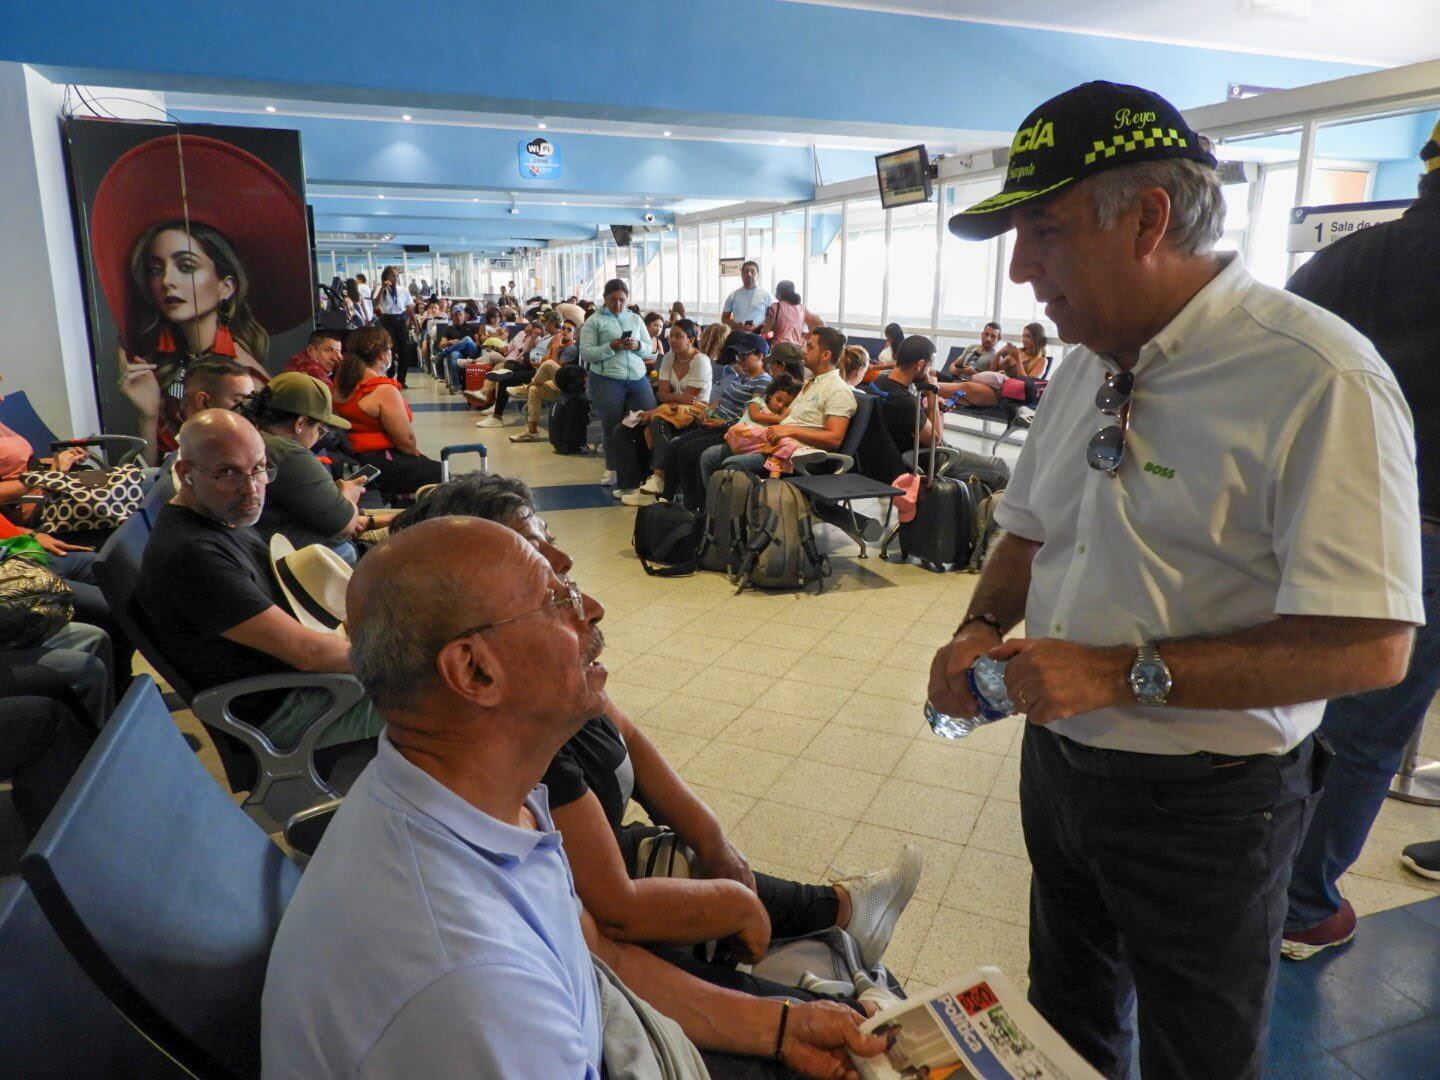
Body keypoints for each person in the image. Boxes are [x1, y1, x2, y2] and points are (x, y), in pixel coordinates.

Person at [930, 81, 1421, 1080]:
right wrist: (979, 627)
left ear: (1148, 219)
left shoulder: (1317, 377)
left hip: (1210, 803)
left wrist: (1116, 675)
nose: (1021, 270)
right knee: (1068, 1018)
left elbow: (1371, 647)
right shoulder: (1085, 361)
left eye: (1045, 232)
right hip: (1061, 767)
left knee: (1198, 1050)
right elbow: (1029, 531)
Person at [262, 516, 888, 1079]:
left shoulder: (475, 802)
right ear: (475, 671)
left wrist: (778, 1029)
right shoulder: (469, 986)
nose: (592, 607)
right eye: (556, 601)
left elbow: (597, 960)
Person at [392, 475, 924, 967]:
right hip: (608, 909)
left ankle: (840, 911)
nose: (567, 562)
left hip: (610, 870)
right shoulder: (517, 731)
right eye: (532, 552)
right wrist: (734, 909)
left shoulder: (552, 672)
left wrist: (715, 841)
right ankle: (841, 913)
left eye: (549, 536)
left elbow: (627, 733)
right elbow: (614, 913)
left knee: (693, 856)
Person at [1279, 118, 1440, 952]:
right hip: (1428, 530)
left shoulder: (1343, 259)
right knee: (1373, 729)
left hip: (1317, 514)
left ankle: (1267, 875)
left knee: (1307, 702)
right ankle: (1301, 903)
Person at [135, 410, 381, 780]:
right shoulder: (195, 556)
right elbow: (310, 654)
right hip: (287, 710)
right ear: (187, 474)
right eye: (228, 473)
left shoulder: (224, 519)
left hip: (301, 683)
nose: (252, 488)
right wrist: (411, 656)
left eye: (260, 469)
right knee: (451, 695)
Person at [90, 134, 308, 465]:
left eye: (186, 266)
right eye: (155, 268)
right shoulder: (169, 365)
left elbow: (250, 466)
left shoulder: (244, 378)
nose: (167, 281)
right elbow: (152, 475)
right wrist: (148, 417)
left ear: (226, 285)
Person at [237, 373, 396, 562]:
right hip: (300, 561)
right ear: (300, 423)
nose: (319, 436)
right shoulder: (288, 453)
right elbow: (344, 524)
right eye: (320, 429)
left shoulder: (254, 438)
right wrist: (347, 495)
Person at [701, 327, 856, 492]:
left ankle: (732, 516)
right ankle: (710, 513)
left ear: (826, 355)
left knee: (732, 466)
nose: (804, 350)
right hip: (777, 443)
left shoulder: (838, 390)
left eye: (810, 347)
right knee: (709, 457)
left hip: (797, 456)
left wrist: (789, 430)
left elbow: (834, 438)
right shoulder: (811, 383)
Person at [332, 327, 443, 497]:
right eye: (390, 349)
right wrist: (417, 458)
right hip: (378, 463)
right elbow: (406, 441)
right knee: (443, 473)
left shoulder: (341, 383)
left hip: (353, 459)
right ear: (382, 355)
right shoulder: (383, 390)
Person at [668, 331, 774, 508]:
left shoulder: (763, 382)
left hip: (730, 430)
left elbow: (748, 416)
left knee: (689, 451)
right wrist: (707, 411)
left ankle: (698, 506)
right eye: (738, 355)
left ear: (760, 356)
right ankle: (675, 498)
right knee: (676, 444)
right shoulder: (744, 376)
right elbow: (723, 400)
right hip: (715, 422)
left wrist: (721, 423)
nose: (739, 359)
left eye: (744, 355)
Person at [618, 319, 713, 504]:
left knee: (658, 420)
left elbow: (691, 398)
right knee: (623, 430)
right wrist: (675, 398)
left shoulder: (701, 361)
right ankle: (634, 486)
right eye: (672, 336)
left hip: (695, 413)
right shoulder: (669, 357)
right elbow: (662, 394)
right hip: (671, 410)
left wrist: (671, 398)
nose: (674, 340)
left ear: (691, 340)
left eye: (679, 336)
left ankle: (659, 479)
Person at [579, 278, 656, 487]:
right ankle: (612, 469)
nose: (618, 304)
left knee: (649, 420)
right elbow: (586, 353)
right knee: (612, 425)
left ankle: (648, 470)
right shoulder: (594, 321)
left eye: (622, 300)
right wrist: (611, 347)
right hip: (606, 380)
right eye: (613, 300)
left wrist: (637, 345)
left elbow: (650, 348)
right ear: (604, 299)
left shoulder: (634, 319)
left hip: (637, 379)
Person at [508, 319, 580, 444]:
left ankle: (525, 388)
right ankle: (532, 431)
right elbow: (545, 363)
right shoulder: (560, 346)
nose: (564, 332)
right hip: (554, 384)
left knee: (548, 364)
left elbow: (556, 368)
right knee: (535, 390)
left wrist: (555, 348)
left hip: (566, 384)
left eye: (569, 330)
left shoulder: (571, 349)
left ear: (574, 334)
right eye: (563, 328)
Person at [948, 323, 1048, 409]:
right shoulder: (1018, 352)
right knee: (964, 389)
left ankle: (948, 400)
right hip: (998, 385)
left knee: (966, 387)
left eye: (1028, 336)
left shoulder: (1041, 360)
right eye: (1023, 336)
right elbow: (996, 370)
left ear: (1036, 338)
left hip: (1010, 393)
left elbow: (1028, 386)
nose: (1024, 339)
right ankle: (949, 402)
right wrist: (1000, 353)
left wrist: (1017, 360)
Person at [869, 336, 941, 452]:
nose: (929, 372)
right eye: (929, 366)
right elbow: (935, 440)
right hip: (919, 459)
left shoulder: (877, 382)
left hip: (884, 455)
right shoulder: (907, 403)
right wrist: (933, 397)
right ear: (920, 364)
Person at [373, 266, 413, 389]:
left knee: (404, 351)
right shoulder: (381, 289)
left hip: (400, 320)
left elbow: (409, 308)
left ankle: (402, 379)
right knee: (389, 349)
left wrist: (414, 323)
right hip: (387, 320)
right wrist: (382, 289)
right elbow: (376, 304)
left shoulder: (403, 290)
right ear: (387, 277)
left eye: (397, 276)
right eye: (393, 275)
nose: (396, 278)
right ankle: (390, 376)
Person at [760, 280, 824, 348]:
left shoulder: (776, 307)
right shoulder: (801, 308)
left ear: (780, 293)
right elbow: (819, 324)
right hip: (797, 349)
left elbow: (766, 332)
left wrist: (762, 332)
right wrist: (804, 338)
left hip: (779, 349)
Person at [938, 322, 1002, 381]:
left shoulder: (995, 357)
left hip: (970, 385)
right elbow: (952, 366)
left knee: (935, 386)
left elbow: (989, 380)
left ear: (998, 339)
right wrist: (962, 371)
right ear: (982, 334)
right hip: (957, 380)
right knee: (931, 373)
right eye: (986, 334)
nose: (988, 339)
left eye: (993, 336)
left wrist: (974, 374)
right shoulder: (972, 347)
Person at [722, 261, 773, 331]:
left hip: (758, 336)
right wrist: (736, 324)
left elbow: (771, 319)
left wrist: (758, 327)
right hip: (737, 335)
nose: (749, 274)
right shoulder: (733, 295)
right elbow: (724, 319)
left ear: (758, 275)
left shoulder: (766, 295)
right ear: (741, 275)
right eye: (746, 271)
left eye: (752, 271)